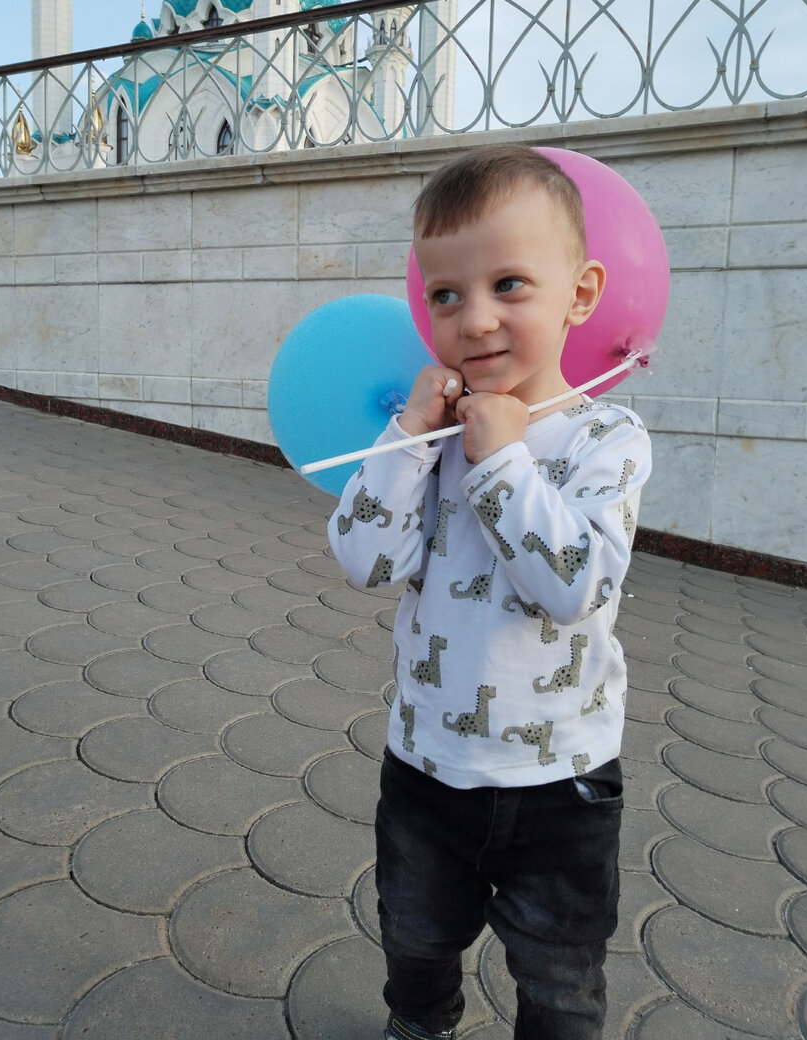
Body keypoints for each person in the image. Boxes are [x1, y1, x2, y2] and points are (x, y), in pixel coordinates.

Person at [327, 144, 652, 1040]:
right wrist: (409, 435)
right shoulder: (426, 438)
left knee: (560, 975)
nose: (474, 321)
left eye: (509, 284)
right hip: (427, 767)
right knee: (415, 938)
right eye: (446, 294)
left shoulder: (607, 439)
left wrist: (502, 456)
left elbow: (574, 585)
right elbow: (364, 561)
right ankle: (420, 1025)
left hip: (562, 781)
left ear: (579, 294)